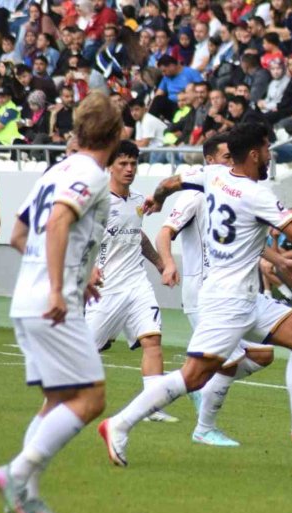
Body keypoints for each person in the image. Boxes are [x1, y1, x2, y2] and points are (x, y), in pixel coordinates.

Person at [98, 123, 292, 467]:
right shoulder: (256, 194)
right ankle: (119, 424)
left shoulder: (213, 175)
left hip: (243, 296)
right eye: (268, 150)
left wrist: (158, 196)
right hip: (227, 300)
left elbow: (172, 181)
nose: (270, 157)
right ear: (255, 154)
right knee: (193, 376)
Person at [0, 92, 123, 513]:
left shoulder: (55, 169)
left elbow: (18, 234)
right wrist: (59, 287)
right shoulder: (92, 173)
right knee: (91, 398)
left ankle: (26, 498)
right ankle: (16, 474)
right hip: (51, 303)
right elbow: (62, 220)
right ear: (117, 135)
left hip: (28, 299)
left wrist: (72, 276)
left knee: (59, 399)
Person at [155, 133, 279, 446]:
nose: (230, 163)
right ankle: (201, 421)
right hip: (203, 293)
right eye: (225, 158)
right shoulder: (195, 196)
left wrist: (269, 261)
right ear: (210, 162)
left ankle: (193, 385)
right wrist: (168, 264)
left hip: (230, 291)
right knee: (227, 361)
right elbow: (164, 232)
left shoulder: (228, 193)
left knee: (263, 355)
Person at [82, 140, 179, 424]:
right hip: (106, 288)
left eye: (133, 164)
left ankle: (152, 407)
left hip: (137, 284)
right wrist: (88, 269)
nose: (129, 169)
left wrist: (161, 263)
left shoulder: (139, 201)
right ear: (110, 166)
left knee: (152, 340)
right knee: (89, 349)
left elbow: (137, 235)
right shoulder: (96, 201)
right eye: (122, 164)